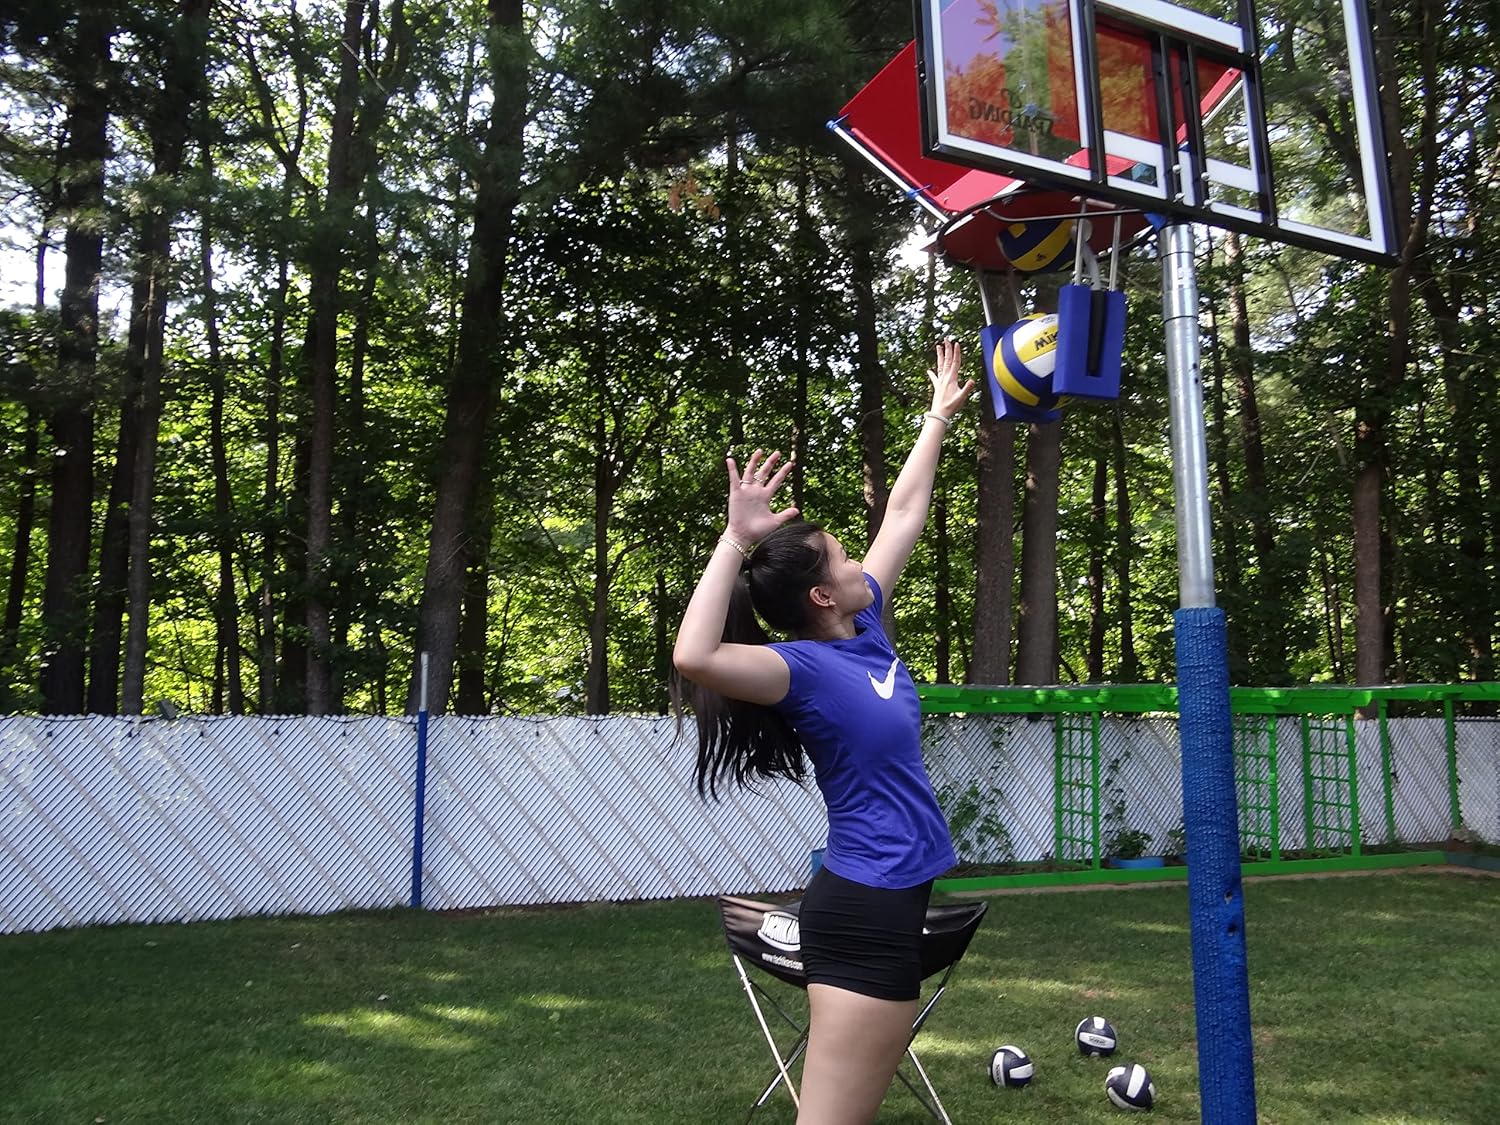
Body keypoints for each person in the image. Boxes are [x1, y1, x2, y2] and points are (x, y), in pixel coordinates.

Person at [672, 340, 975, 1125]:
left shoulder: (865, 627)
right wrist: (735, 540)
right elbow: (694, 655)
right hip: (863, 913)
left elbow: (903, 514)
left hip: (890, 901)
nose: (856, 561)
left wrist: (936, 418)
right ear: (820, 594)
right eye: (841, 557)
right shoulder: (799, 668)